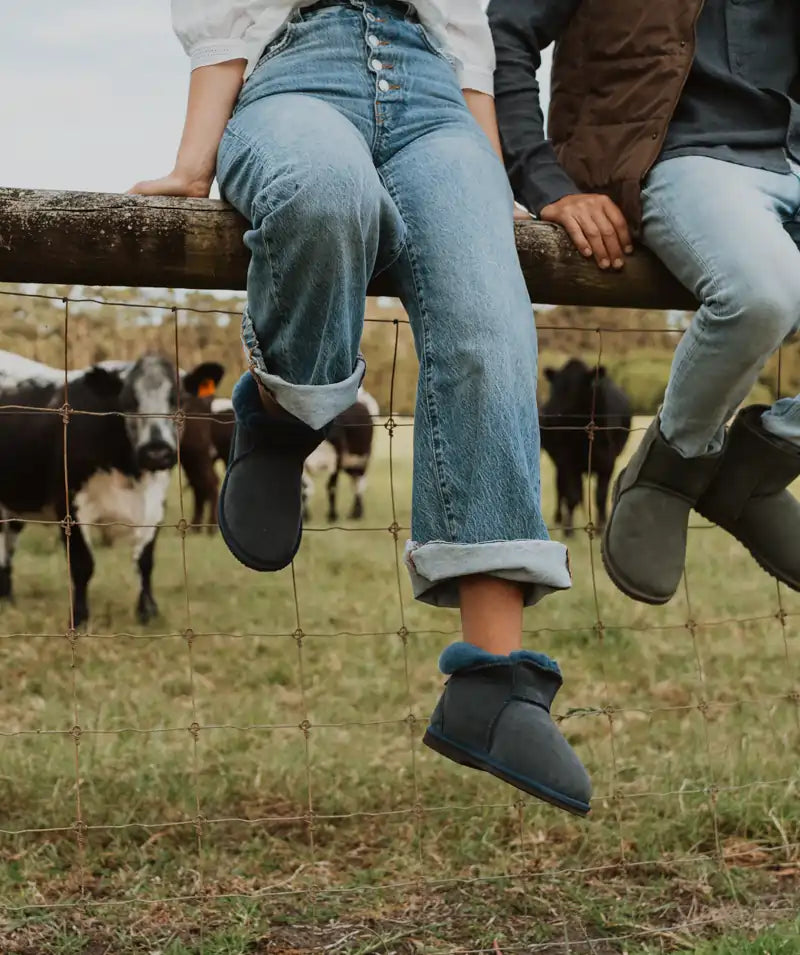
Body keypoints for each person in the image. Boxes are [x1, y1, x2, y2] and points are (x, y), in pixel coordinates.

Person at [130, 0, 592, 816]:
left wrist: (489, 186)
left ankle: (494, 682)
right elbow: (228, 13)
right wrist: (194, 160)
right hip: (296, 78)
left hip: (436, 101)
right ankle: (280, 413)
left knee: (487, 317)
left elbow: (465, 38)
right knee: (325, 195)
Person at [489, 0, 800, 605]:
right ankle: (672, 466)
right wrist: (544, 179)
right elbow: (500, 36)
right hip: (682, 158)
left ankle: (757, 470)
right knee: (762, 294)